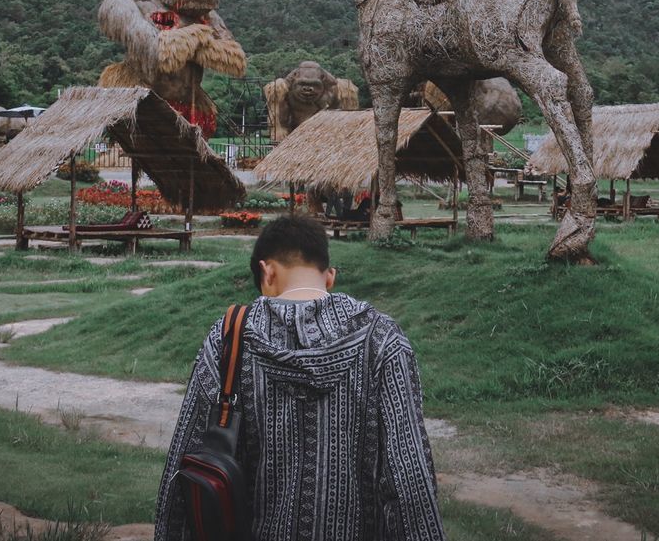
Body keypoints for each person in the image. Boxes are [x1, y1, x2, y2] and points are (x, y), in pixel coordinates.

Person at [154, 214, 446, 541]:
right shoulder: (382, 341)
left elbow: (187, 463)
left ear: (267, 272)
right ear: (330, 277)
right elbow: (409, 481)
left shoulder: (229, 338)